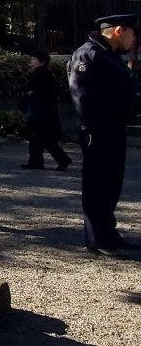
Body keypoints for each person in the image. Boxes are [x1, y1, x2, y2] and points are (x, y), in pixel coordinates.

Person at [68, 13, 139, 259]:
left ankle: (109, 233)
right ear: (119, 30)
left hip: (114, 128)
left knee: (111, 184)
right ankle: (97, 239)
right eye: (132, 33)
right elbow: (82, 96)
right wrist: (91, 130)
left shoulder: (109, 55)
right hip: (98, 131)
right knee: (97, 184)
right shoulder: (88, 54)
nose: (134, 39)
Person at [21, 50, 71, 171]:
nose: (31, 62)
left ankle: (62, 159)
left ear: (42, 62)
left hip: (41, 112)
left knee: (44, 139)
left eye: (34, 60)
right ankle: (36, 162)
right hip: (39, 112)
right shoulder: (39, 74)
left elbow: (45, 92)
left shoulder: (43, 75)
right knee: (37, 139)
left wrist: (32, 92)